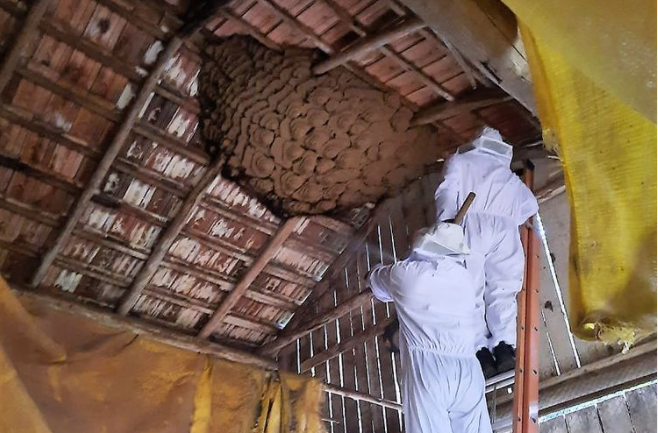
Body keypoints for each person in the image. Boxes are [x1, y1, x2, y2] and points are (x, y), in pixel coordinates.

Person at [366, 222, 492, 433]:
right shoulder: (465, 279)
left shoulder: (404, 274)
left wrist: (373, 273)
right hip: (469, 368)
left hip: (429, 368)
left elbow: (376, 282)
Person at [434, 127, 538, 378]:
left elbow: (446, 192)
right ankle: (504, 347)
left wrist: (446, 227)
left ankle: (480, 351)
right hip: (505, 231)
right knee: (503, 290)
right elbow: (530, 206)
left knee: (469, 291)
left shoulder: (459, 161)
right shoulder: (509, 176)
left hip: (471, 225)